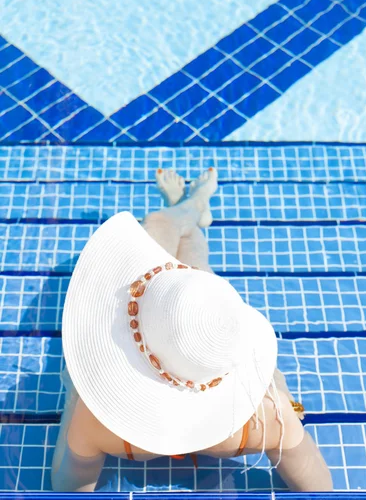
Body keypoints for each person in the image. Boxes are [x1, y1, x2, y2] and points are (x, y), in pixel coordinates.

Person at [51, 168, 333, 493]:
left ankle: (187, 206)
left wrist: (78, 396)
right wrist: (280, 398)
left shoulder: (95, 418)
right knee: (195, 262)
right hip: (239, 428)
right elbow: (320, 489)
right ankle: (195, 204)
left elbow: (65, 487)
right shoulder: (270, 415)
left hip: (129, 436)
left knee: (159, 225)